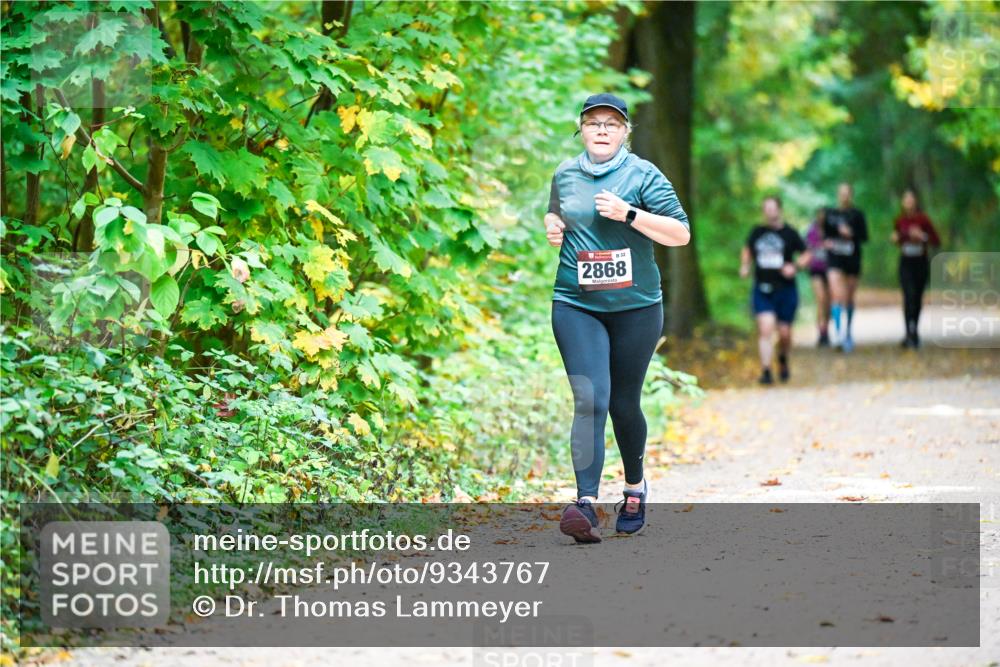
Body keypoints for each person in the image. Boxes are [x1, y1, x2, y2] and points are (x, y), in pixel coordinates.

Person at [545, 93, 691, 543]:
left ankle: (633, 488)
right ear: (581, 129)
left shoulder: (643, 174)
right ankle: (585, 504)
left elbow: (681, 234)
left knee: (624, 403)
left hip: (637, 308)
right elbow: (559, 211)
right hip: (576, 303)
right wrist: (552, 224)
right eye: (594, 123)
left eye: (612, 123)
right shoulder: (565, 173)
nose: (603, 130)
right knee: (591, 396)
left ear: (626, 131)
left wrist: (630, 213)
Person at [740, 196, 812, 385]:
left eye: (772, 208)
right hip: (762, 289)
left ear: (779, 209)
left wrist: (795, 267)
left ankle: (783, 359)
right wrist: (745, 265)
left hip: (786, 290)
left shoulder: (790, 233)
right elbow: (747, 249)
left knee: (785, 333)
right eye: (766, 209)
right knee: (765, 329)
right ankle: (766, 371)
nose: (769, 212)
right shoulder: (757, 232)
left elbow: (807, 254)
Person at [891, 187, 941, 348]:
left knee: (917, 297)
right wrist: (896, 238)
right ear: (903, 203)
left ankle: (915, 330)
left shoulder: (923, 219)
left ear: (916, 201)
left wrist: (922, 236)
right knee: (908, 295)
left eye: (911, 199)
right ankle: (908, 332)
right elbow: (897, 238)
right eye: (906, 200)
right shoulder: (899, 221)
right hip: (906, 262)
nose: (909, 202)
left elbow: (935, 240)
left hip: (920, 262)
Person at [822, 182, 868, 352]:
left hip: (852, 259)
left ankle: (848, 331)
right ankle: (839, 333)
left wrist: (851, 234)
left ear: (851, 195)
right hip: (834, 259)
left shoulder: (857, 215)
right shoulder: (830, 214)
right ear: (837, 194)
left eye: (847, 193)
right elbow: (825, 236)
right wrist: (828, 242)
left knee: (848, 297)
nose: (844, 196)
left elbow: (864, 237)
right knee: (836, 295)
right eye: (841, 193)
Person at [805, 208, 831, 347]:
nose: (822, 217)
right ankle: (820, 332)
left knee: (828, 302)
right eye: (820, 214)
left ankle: (826, 330)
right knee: (820, 300)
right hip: (815, 269)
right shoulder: (811, 230)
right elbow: (806, 247)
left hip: (831, 270)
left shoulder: (831, 230)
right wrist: (821, 245)